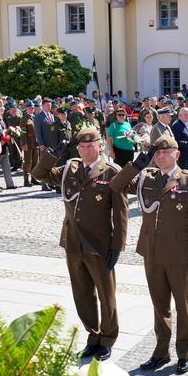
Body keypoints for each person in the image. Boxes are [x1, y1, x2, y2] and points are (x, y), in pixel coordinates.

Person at [109, 136, 188, 375]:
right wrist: (135, 165)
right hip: (151, 251)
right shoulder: (145, 178)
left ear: (176, 154)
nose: (160, 156)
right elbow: (115, 185)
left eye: (166, 152)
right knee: (159, 304)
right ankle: (161, 351)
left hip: (179, 253)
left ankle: (184, 353)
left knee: (184, 306)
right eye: (157, 153)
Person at [31, 128, 129, 362]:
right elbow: (38, 173)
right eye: (82, 147)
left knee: (106, 295)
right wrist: (53, 154)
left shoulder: (112, 173)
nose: (86, 151)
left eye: (90, 146)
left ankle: (107, 339)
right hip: (73, 242)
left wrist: (117, 246)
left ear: (100, 146)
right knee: (82, 294)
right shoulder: (69, 170)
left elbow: (121, 215)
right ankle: (93, 335)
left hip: (99, 244)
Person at [34, 98, 56, 191]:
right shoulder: (39, 117)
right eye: (47, 105)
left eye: (50, 105)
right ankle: (44, 184)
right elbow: (38, 132)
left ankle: (51, 182)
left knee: (52, 164)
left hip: (52, 145)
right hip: (44, 145)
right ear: (43, 106)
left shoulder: (52, 115)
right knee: (44, 165)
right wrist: (41, 144)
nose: (49, 107)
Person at [20, 101, 39, 187]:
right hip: (28, 143)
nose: (32, 109)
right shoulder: (24, 118)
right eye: (30, 108)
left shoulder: (34, 117)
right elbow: (23, 132)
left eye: (33, 108)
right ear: (26, 109)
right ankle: (26, 180)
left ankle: (34, 178)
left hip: (35, 143)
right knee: (28, 162)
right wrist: (24, 143)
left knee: (35, 161)